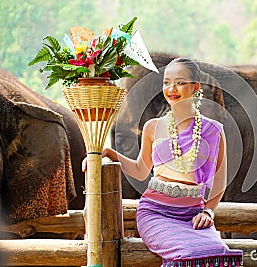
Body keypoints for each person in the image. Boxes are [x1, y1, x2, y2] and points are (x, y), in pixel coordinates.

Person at [84, 58, 243, 266]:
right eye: (166, 82)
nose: (171, 89)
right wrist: (110, 153)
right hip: (155, 212)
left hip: (193, 214)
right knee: (185, 252)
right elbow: (141, 170)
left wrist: (208, 211)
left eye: (179, 82)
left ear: (195, 87)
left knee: (217, 250)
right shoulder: (153, 127)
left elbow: (219, 184)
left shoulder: (214, 130)